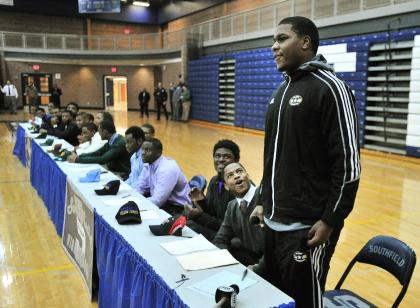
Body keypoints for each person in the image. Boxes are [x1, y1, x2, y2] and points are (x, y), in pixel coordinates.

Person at [249, 17, 361, 308]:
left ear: (305, 42)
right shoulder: (279, 94)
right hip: (273, 223)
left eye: (281, 38)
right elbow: (273, 158)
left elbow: (348, 164)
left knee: (304, 302)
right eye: (274, 40)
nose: (274, 46)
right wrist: (262, 200)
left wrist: (330, 220)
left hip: (307, 229)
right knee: (275, 299)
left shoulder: (331, 88)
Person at [184, 139, 239, 240]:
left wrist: (199, 216)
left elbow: (231, 228)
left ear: (236, 161)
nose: (221, 159)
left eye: (226, 156)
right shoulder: (215, 181)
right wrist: (201, 201)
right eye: (217, 156)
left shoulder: (239, 186)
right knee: (186, 224)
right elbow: (212, 214)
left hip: (231, 237)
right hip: (218, 229)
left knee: (189, 227)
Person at [212, 163, 264, 266]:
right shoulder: (232, 206)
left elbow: (275, 244)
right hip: (253, 260)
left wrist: (258, 269)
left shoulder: (264, 196)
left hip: (272, 261)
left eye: (239, 171)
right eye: (230, 175)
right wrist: (226, 260)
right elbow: (220, 239)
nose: (236, 176)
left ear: (247, 175)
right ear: (226, 186)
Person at [135, 138, 191, 215]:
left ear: (159, 152)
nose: (143, 153)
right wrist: (134, 201)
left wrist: (137, 205)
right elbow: (140, 187)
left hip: (178, 208)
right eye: (143, 149)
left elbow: (158, 201)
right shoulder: (148, 164)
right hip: (163, 203)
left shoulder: (167, 168)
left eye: (147, 150)